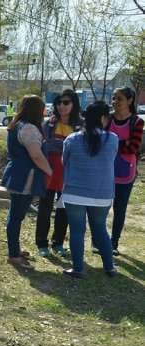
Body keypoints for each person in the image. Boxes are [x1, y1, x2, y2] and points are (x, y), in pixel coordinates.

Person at [61, 101, 118, 278]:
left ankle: (78, 268)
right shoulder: (113, 139)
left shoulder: (71, 139)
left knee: (77, 231)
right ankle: (110, 267)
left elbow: (65, 162)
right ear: (103, 117)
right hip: (102, 193)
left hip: (75, 193)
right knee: (100, 228)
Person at [0, 95, 52, 269]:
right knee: (16, 216)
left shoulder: (18, 125)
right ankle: (13, 254)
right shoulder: (29, 129)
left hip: (17, 174)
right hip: (25, 178)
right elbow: (36, 156)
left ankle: (15, 249)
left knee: (16, 215)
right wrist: (49, 171)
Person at [35, 90, 82, 257]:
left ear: (74, 104)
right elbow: (42, 147)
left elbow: (80, 151)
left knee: (64, 210)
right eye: (59, 103)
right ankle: (41, 243)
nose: (62, 106)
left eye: (66, 102)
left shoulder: (80, 126)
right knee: (45, 208)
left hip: (70, 174)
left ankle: (58, 243)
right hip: (48, 172)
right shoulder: (48, 124)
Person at [102, 87, 143, 255]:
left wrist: (113, 143)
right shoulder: (107, 119)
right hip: (104, 171)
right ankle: (99, 241)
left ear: (130, 101)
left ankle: (113, 243)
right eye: (113, 98)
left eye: (119, 98)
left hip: (126, 173)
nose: (115, 102)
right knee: (102, 208)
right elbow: (100, 143)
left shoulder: (137, 122)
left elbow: (132, 148)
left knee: (120, 209)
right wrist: (122, 142)